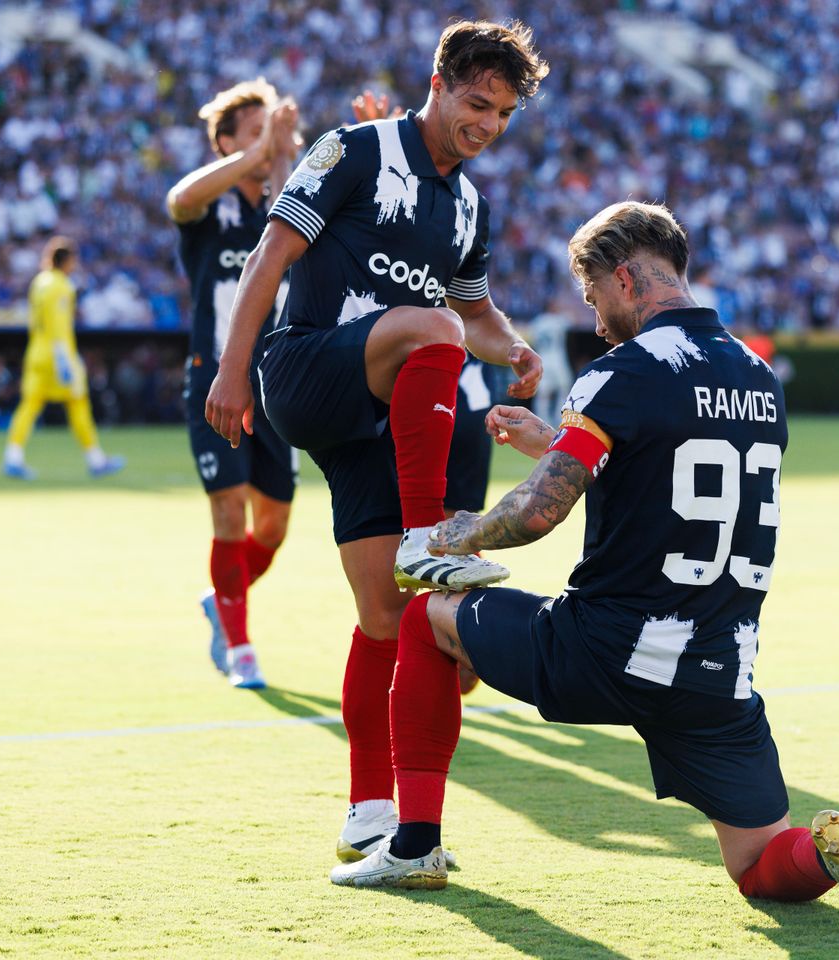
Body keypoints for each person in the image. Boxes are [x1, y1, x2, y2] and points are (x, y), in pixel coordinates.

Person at [331, 201, 839, 938]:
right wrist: (557, 441)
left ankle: (412, 847)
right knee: (760, 864)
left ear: (624, 279)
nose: (596, 319)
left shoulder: (621, 371)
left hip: (607, 647)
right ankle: (826, 855)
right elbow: (667, 472)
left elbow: (539, 513)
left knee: (423, 619)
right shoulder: (758, 376)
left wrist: (460, 532)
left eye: (593, 299)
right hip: (717, 669)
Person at [205, 20, 549, 866]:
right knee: (430, 329)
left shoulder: (469, 203)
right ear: (437, 83)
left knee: (394, 620)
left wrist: (513, 347)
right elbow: (270, 256)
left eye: (502, 113)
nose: (487, 126)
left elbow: (474, 311)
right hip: (307, 371)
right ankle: (433, 540)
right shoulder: (354, 151)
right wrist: (231, 371)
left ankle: (373, 815)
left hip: (386, 422)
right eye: (477, 103)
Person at [166, 80, 304, 689]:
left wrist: (282, 153)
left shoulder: (286, 207)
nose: (269, 143)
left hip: (277, 389)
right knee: (229, 513)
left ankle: (222, 600)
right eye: (252, 133)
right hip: (215, 381)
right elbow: (178, 200)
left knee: (272, 528)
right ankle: (241, 647)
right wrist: (255, 155)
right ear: (224, 143)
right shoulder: (210, 208)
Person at [3, 236, 125, 481]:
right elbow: (59, 326)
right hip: (57, 355)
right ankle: (96, 460)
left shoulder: (39, 282)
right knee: (78, 402)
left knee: (29, 406)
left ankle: (12, 458)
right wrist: (63, 361)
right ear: (66, 260)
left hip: (36, 352)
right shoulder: (62, 286)